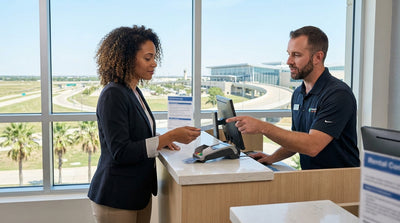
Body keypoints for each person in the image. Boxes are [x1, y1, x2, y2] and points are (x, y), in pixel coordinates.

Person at [88, 25, 201, 223]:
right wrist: (168, 137)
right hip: (116, 196)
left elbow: (137, 137)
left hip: (137, 194)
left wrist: (161, 141)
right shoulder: (113, 94)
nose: (154, 64)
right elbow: (121, 151)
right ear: (127, 58)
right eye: (148, 58)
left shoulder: (134, 91)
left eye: (154, 58)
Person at [226, 26, 360, 170]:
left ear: (318, 57)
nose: (289, 61)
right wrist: (272, 158)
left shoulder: (338, 94)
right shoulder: (298, 94)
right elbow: (298, 140)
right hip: (312, 178)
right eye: (289, 54)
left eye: (296, 55)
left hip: (341, 182)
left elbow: (312, 145)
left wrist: (263, 127)